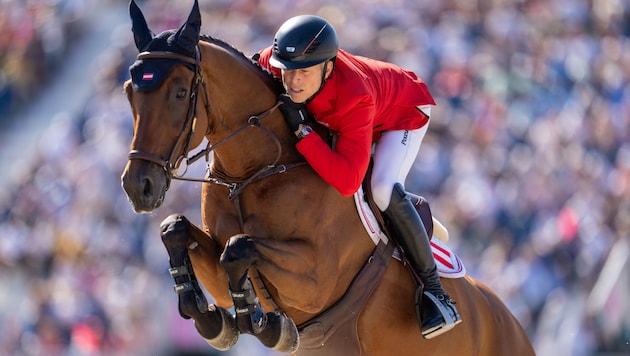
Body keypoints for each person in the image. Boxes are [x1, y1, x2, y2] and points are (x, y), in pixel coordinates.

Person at [256, 15, 461, 339]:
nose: (292, 81)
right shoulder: (279, 61)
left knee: (380, 188)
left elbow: (349, 182)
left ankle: (435, 292)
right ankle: (409, 214)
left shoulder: (355, 94)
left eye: (303, 73)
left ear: (327, 67)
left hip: (404, 114)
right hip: (359, 121)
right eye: (287, 71)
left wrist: (302, 131)